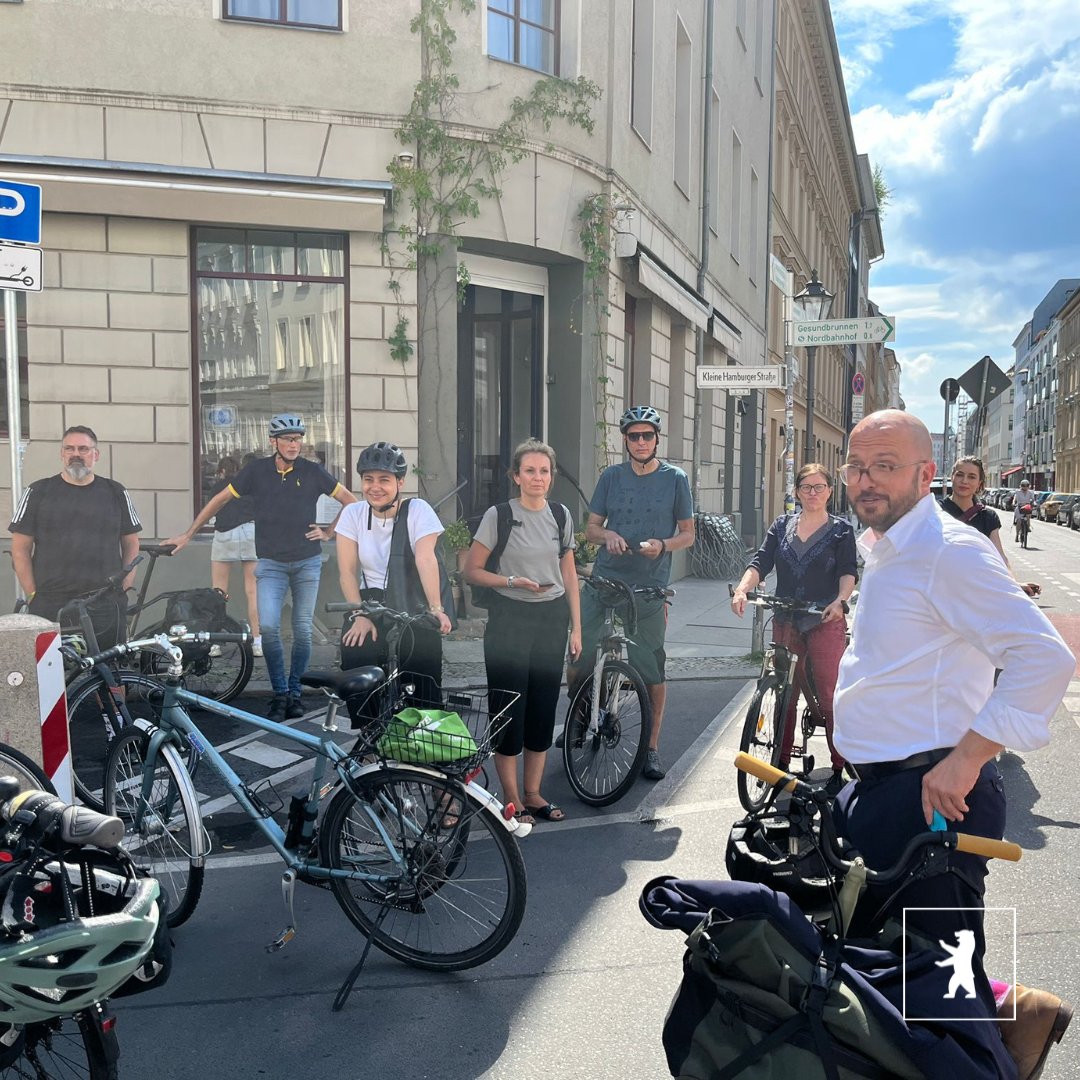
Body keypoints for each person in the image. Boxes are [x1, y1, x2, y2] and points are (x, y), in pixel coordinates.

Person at [833, 409, 1073, 1078]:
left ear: (925, 474)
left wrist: (968, 759)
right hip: (891, 790)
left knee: (939, 998)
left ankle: (993, 1050)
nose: (866, 480)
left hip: (933, 799)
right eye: (857, 467)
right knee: (909, 970)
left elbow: (1043, 657)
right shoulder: (887, 546)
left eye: (884, 466)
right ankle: (1017, 1011)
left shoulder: (947, 551)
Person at [166, 414, 356, 722]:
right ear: (273, 442)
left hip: (306, 562)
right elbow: (219, 500)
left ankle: (294, 692)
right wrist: (189, 534)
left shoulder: (312, 471)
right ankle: (279, 692)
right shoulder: (256, 471)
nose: (294, 445)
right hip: (270, 563)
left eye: (298, 439)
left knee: (302, 630)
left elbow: (350, 500)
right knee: (268, 628)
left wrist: (328, 532)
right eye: (288, 439)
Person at [563, 405, 694, 781]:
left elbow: (688, 534)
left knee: (650, 668)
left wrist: (663, 545)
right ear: (625, 441)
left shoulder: (675, 479)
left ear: (656, 439)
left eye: (647, 436)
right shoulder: (612, 477)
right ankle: (580, 715)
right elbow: (591, 529)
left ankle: (650, 747)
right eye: (634, 436)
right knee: (578, 654)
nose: (641, 442)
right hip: (606, 579)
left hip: (648, 587)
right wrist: (608, 535)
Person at [464, 439, 582, 825]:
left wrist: (576, 628)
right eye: (529, 471)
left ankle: (533, 794)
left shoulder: (561, 515)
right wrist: (511, 581)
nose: (537, 477)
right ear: (516, 476)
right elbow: (471, 570)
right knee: (508, 708)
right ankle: (512, 798)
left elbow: (569, 574)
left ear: (552, 476)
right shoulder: (499, 515)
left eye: (544, 471)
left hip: (552, 619)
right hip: (509, 619)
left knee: (543, 708)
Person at [731, 463, 856, 795]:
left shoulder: (841, 531)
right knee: (785, 693)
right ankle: (780, 763)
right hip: (786, 617)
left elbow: (848, 571)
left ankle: (839, 766)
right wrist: (742, 589)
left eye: (819, 487)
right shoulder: (782, 525)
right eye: (806, 487)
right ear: (797, 491)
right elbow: (761, 562)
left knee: (829, 695)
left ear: (830, 491)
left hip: (823, 618)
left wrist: (840, 601)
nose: (812, 493)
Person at [335, 442, 452, 722]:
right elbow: (347, 572)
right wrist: (358, 614)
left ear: (400, 482)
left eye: (384, 480)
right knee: (356, 654)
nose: (375, 487)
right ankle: (370, 733)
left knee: (423, 670)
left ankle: (422, 731)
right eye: (368, 479)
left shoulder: (418, 510)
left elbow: (426, 559)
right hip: (370, 601)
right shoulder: (352, 514)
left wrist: (436, 608)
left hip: (412, 599)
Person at [9, 426, 142, 619]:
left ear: (96, 454)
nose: (76, 454)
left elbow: (131, 543)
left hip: (106, 603)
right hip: (50, 603)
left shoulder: (116, 492)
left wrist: (123, 588)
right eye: (69, 448)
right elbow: (20, 548)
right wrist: (32, 596)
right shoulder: (37, 492)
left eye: (83, 449)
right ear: (62, 454)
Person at [940, 457, 1040, 598]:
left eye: (972, 477)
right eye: (960, 475)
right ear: (952, 477)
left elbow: (999, 556)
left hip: (977, 589)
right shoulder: (936, 511)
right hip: (942, 588)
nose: (964, 481)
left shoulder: (988, 517)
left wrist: (1013, 583)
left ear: (979, 483)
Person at [208, 456, 262, 656]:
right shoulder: (248, 486)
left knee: (219, 591)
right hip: (250, 532)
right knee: (253, 591)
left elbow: (213, 511)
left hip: (225, 534)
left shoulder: (218, 487)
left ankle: (214, 643)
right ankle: (257, 642)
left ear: (221, 471)